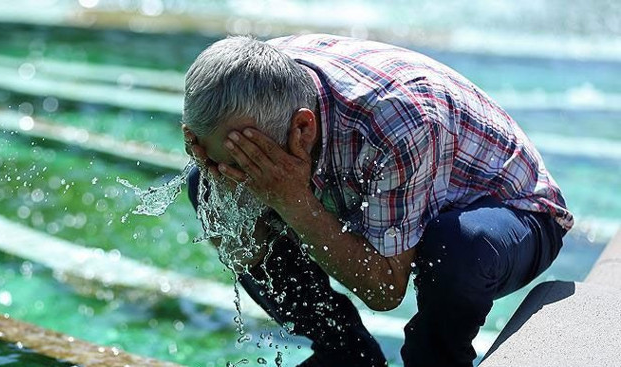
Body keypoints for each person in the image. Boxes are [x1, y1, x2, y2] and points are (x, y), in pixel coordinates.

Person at [181, 34, 573, 367]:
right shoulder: (241, 84)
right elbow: (245, 250)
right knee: (203, 186)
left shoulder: (399, 122)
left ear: (302, 127)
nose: (226, 173)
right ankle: (346, 355)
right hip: (382, 183)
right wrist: (222, 185)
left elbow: (385, 290)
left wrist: (293, 200)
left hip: (514, 217)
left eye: (243, 162)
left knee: (456, 246)